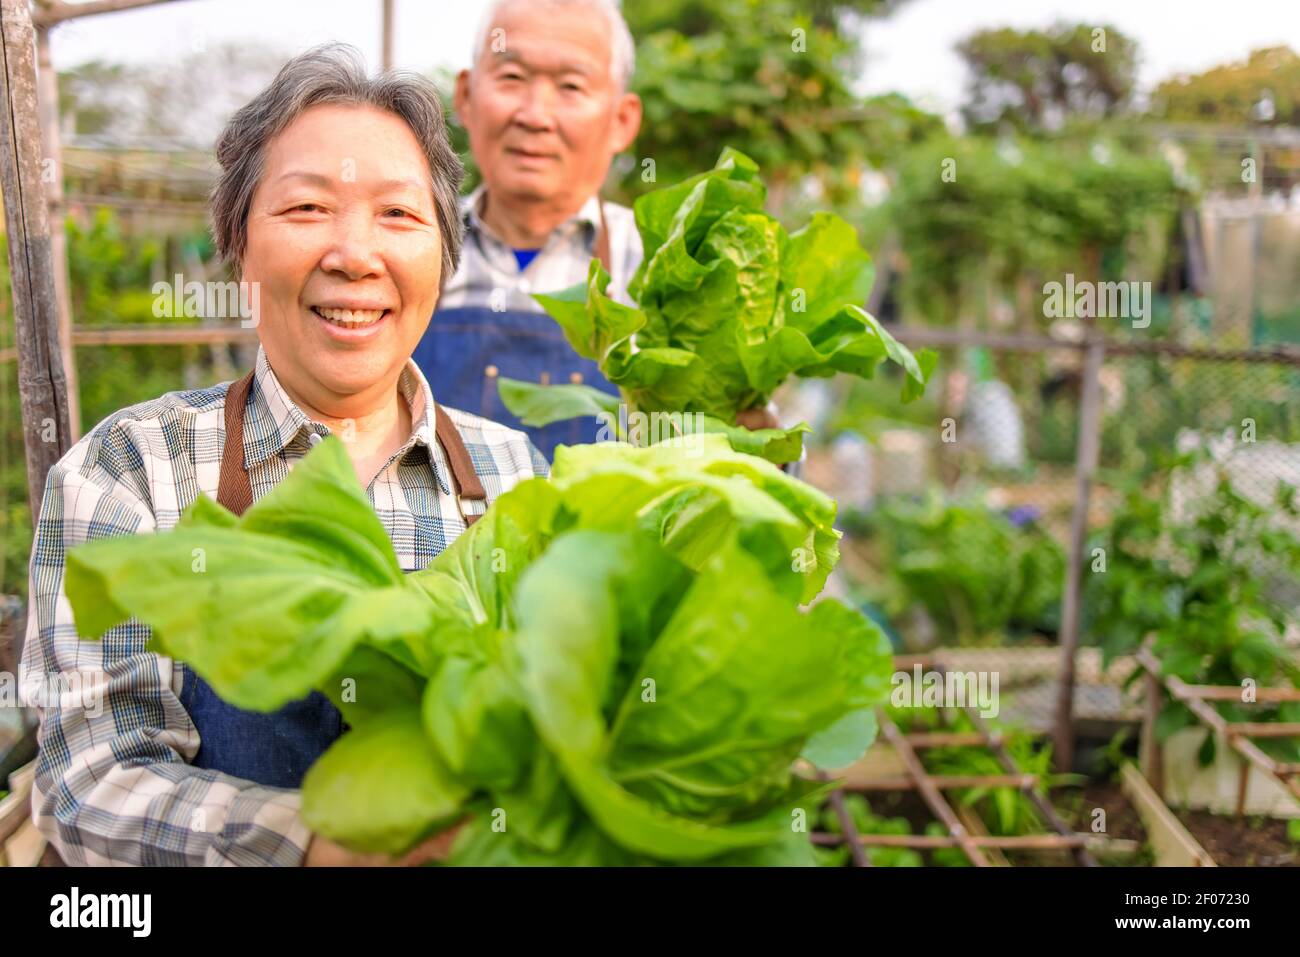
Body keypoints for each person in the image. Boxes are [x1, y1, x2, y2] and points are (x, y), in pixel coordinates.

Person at [19, 45, 545, 867]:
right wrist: (321, 847)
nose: (354, 253)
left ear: (442, 256)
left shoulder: (518, 479)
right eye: (305, 209)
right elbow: (93, 779)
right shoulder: (131, 467)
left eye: (400, 216)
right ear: (240, 244)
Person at [411, 0, 644, 458]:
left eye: (571, 86)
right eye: (512, 78)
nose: (535, 115)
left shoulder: (664, 270)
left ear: (622, 120)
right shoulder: (404, 249)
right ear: (466, 97)